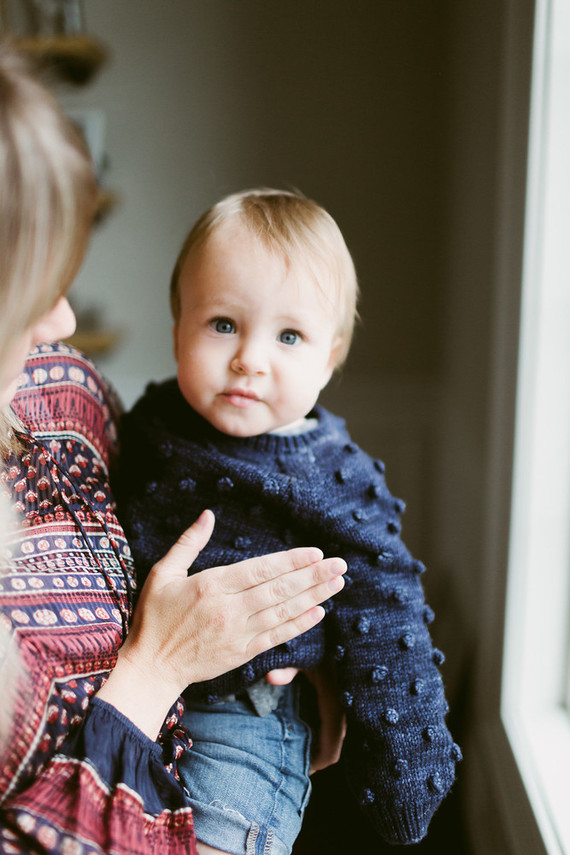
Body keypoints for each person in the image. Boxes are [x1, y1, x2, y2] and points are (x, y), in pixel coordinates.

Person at [0, 46, 348, 854]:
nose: (59, 319)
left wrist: (296, 636)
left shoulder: (61, 389)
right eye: (25, 288)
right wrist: (153, 672)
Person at [116, 188, 462, 855]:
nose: (250, 357)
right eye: (222, 323)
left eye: (289, 335)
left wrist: (404, 782)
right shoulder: (152, 420)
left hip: (247, 715)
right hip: (139, 686)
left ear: (329, 357)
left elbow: (389, 622)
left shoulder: (334, 474)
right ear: (176, 326)